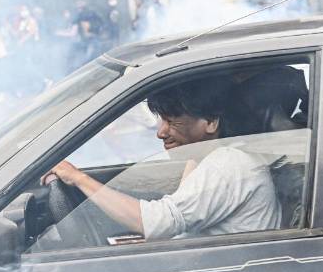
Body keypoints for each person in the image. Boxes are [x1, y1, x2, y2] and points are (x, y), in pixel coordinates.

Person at [44, 77, 280, 241]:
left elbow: (160, 222)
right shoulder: (211, 158)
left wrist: (78, 178)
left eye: (172, 121)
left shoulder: (229, 164)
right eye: (161, 120)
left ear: (210, 122)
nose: (161, 132)